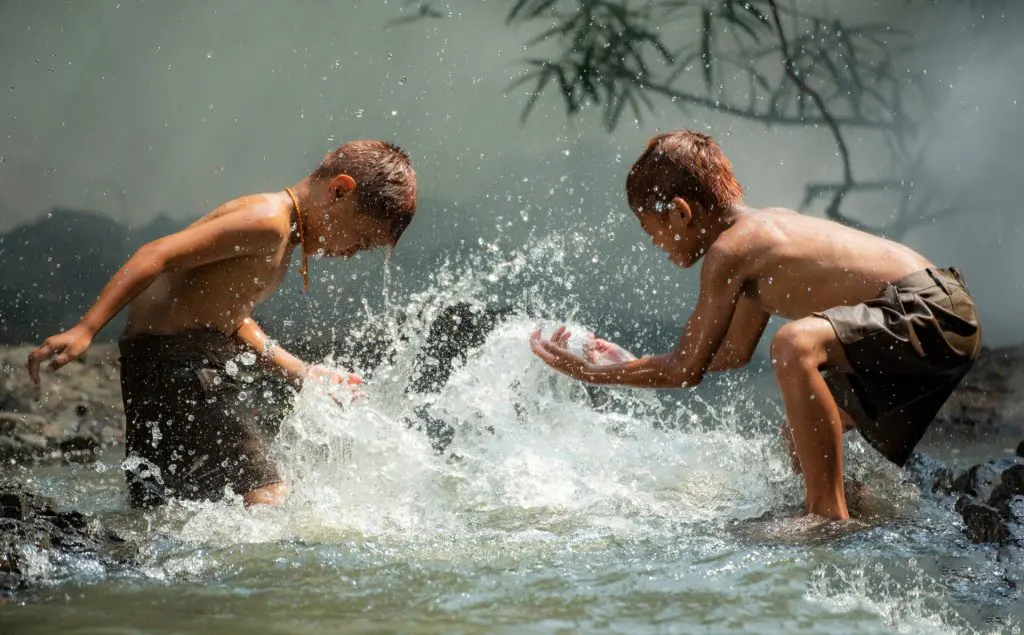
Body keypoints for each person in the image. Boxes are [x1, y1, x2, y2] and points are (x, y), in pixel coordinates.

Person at [530, 129, 981, 521]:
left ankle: (827, 516)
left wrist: (597, 374)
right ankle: (856, 509)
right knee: (799, 436)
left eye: (653, 229)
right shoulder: (754, 243)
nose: (655, 245)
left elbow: (685, 370)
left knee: (793, 343)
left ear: (681, 213)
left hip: (932, 309)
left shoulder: (732, 251)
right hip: (940, 312)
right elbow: (727, 354)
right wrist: (632, 361)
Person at [27, 140, 418, 507]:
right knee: (266, 491)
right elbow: (156, 255)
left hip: (161, 364)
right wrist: (86, 329)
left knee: (168, 500)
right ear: (339, 191)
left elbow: (227, 319)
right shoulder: (268, 222)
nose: (351, 254)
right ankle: (265, 579)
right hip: (179, 365)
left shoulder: (280, 234)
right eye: (361, 239)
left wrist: (302, 371)